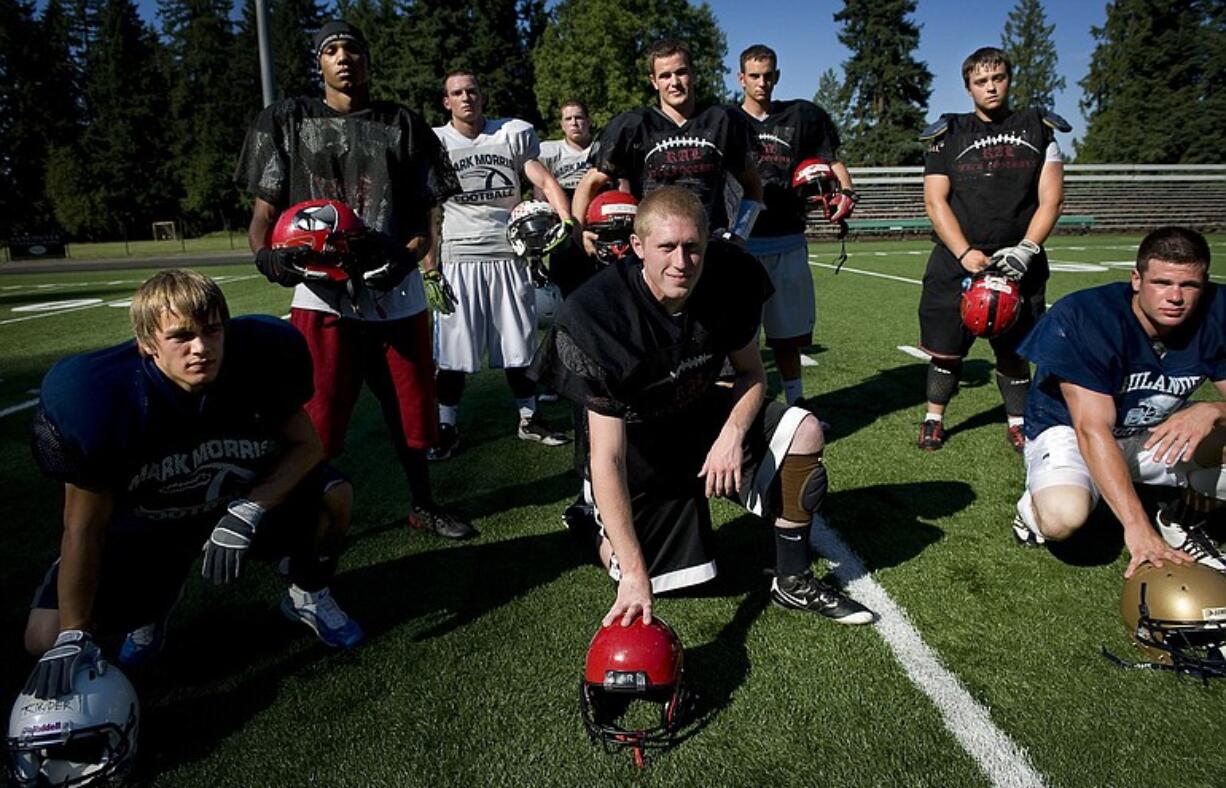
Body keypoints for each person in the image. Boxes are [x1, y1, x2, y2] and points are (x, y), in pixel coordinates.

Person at [531, 187, 873, 626]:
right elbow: (607, 454)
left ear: (708, 242)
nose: (681, 262)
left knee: (803, 430)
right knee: (653, 575)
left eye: (692, 247)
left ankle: (792, 578)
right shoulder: (596, 314)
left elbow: (751, 374)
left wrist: (730, 437)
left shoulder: (731, 275)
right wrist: (633, 574)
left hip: (696, 409)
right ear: (638, 247)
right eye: (666, 247)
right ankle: (590, 523)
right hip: (637, 440)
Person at [21, 270, 363, 702]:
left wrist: (250, 509)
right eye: (181, 337)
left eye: (212, 331)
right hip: (149, 524)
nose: (201, 348)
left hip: (230, 506)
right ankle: (152, 602)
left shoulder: (259, 357)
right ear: (147, 343)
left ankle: (308, 592)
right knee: (45, 636)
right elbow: (83, 527)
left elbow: (307, 446)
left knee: (334, 496)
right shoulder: (98, 398)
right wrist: (74, 632)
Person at [234, 21, 473, 540]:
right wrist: (266, 258)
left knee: (410, 408)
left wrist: (410, 260)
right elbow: (262, 216)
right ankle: (306, 507)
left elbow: (427, 217)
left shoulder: (404, 123)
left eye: (353, 50)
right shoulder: (288, 120)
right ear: (318, 63)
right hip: (322, 292)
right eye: (331, 50)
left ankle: (423, 503)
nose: (344, 58)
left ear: (368, 60)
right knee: (316, 415)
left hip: (393, 289)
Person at [1011, 227, 1226, 578]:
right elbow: (1091, 428)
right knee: (1063, 517)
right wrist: (1137, 527)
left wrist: (1213, 410)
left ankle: (1180, 514)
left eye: (1189, 286)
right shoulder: (1086, 317)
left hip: (1152, 427)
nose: (1175, 297)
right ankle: (1034, 504)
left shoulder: (1217, 312)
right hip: (1071, 432)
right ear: (1137, 279)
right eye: (1162, 283)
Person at [917, 46, 1066, 452]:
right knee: (946, 351)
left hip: (1019, 259)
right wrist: (965, 252)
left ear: (1008, 80)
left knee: (1015, 351)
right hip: (957, 258)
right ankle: (934, 417)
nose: (990, 87)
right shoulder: (947, 134)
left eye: (997, 78)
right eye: (981, 81)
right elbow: (935, 201)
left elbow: (1051, 199)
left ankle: (1017, 421)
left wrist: (1027, 249)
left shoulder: (1039, 128)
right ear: (968, 87)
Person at [427, 70, 575, 460]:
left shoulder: (511, 133)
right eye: (457, 93)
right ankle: (446, 425)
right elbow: (427, 212)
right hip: (459, 256)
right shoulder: (436, 141)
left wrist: (566, 217)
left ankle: (529, 418)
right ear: (446, 102)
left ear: (482, 95)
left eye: (472, 90)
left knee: (519, 344)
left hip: (509, 253)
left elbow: (543, 178)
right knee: (453, 353)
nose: (466, 98)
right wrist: (429, 266)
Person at [737, 43, 857, 406]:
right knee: (737, 339)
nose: (762, 83)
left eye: (768, 75)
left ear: (777, 76)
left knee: (787, 338)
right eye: (754, 76)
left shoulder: (801, 117)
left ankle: (796, 404)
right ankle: (737, 410)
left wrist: (847, 192)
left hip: (787, 237)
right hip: (741, 243)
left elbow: (830, 161)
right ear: (741, 78)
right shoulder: (725, 119)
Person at [571, 39, 763, 246]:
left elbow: (753, 186)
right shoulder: (634, 126)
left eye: (681, 72)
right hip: (654, 246)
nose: (674, 82)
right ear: (654, 81)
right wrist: (578, 232)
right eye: (665, 76)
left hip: (709, 245)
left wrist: (740, 234)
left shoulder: (723, 121)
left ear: (693, 73)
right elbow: (590, 182)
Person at [535, 99, 599, 299]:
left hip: (595, 218)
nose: (574, 123)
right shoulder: (549, 151)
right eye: (568, 119)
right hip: (564, 219)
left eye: (579, 117)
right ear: (562, 125)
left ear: (588, 121)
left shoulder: (601, 148)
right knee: (565, 290)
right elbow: (541, 192)